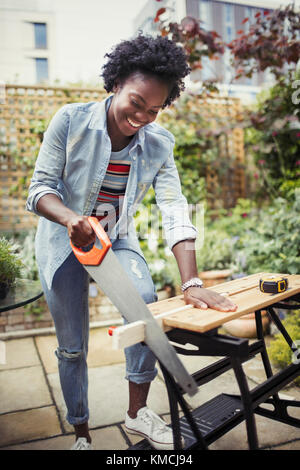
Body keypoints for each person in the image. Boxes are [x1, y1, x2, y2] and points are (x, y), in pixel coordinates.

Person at [26, 34, 237, 450]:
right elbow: (39, 189)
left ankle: (138, 414)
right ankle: (82, 434)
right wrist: (71, 219)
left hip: (115, 237)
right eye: (136, 102)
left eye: (154, 110)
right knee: (72, 348)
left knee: (143, 307)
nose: (141, 116)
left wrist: (191, 282)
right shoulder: (70, 120)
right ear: (117, 82)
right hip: (60, 241)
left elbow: (175, 207)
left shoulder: (160, 143)